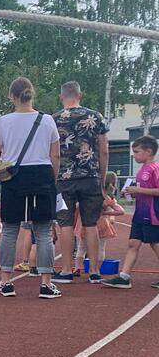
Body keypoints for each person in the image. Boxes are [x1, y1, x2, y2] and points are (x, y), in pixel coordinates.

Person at [0, 77, 61, 299]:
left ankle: (6, 282)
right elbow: (55, 154)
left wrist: (2, 172)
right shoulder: (47, 120)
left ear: (12, 96)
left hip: (14, 176)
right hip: (42, 175)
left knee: (10, 229)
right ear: (32, 94)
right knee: (43, 230)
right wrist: (53, 179)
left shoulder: (4, 121)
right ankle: (46, 283)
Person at [52, 81, 109, 284]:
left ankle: (67, 270)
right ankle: (94, 271)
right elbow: (103, 150)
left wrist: (54, 178)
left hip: (63, 179)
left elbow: (53, 154)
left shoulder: (53, 119)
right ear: (80, 95)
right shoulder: (95, 116)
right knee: (90, 224)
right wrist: (101, 179)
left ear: (62, 97)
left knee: (65, 224)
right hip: (90, 177)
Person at [103, 135, 159, 289]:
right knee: (133, 243)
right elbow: (144, 191)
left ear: (148, 151)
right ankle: (124, 276)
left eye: (137, 152)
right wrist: (132, 193)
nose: (134, 155)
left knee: (155, 243)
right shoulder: (142, 170)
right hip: (140, 213)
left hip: (152, 214)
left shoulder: (155, 169)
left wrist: (137, 189)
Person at [75, 172, 123, 271]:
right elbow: (121, 211)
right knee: (100, 248)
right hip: (101, 223)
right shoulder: (108, 198)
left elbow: (78, 207)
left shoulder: (89, 195)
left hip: (86, 222)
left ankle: (77, 268)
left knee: (81, 247)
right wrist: (105, 214)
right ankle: (96, 270)